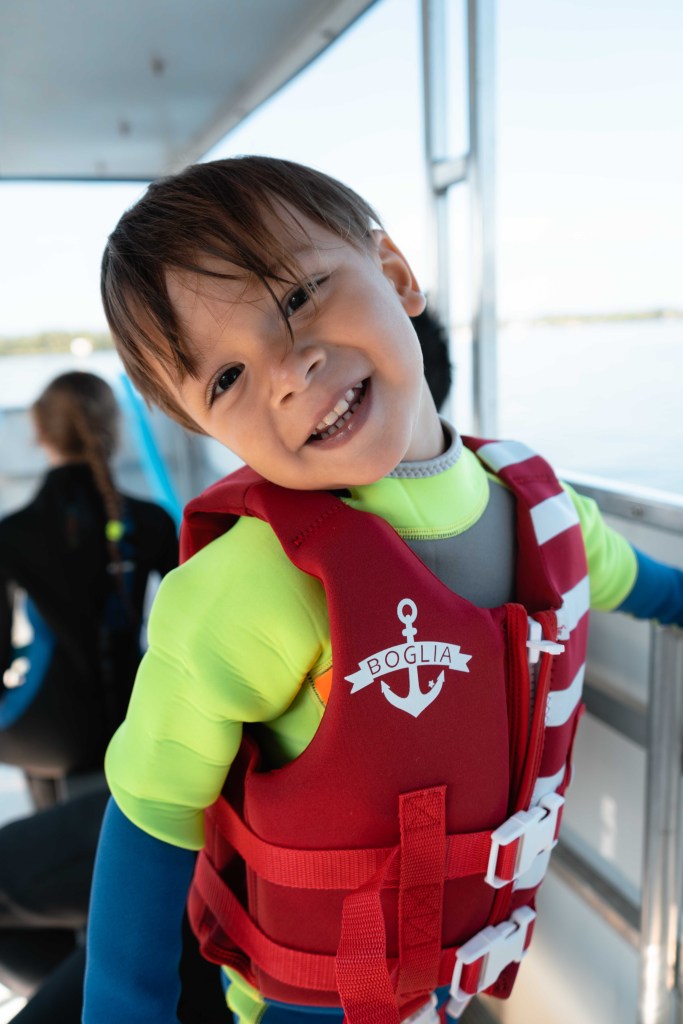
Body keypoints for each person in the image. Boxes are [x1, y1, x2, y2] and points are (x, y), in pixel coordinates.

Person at [82, 156, 683, 1024]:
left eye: (296, 297)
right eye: (226, 378)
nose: (289, 370)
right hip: (311, 1006)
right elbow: (150, 816)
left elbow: (651, 586)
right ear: (201, 428)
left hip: (457, 979)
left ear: (397, 274)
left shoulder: (545, 514)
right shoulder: (248, 586)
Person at [0, 372, 180, 1010]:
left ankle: (61, 986)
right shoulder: (155, 521)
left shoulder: (13, 534)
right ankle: (90, 971)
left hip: (52, 738)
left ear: (40, 433)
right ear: (112, 429)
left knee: (47, 861)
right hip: (134, 722)